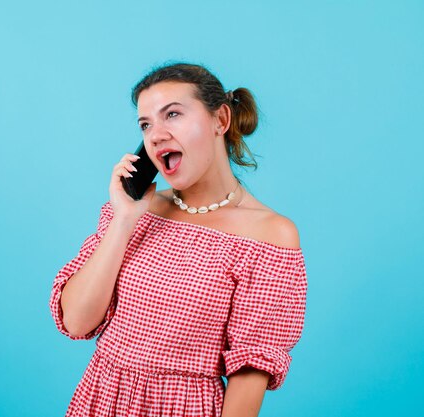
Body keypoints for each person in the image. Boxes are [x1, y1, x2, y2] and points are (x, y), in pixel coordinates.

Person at [49, 62, 308, 417]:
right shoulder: (133, 212)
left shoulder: (269, 235)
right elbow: (77, 321)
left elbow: (251, 372)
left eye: (172, 114)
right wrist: (124, 221)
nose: (155, 136)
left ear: (221, 120)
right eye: (146, 124)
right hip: (101, 398)